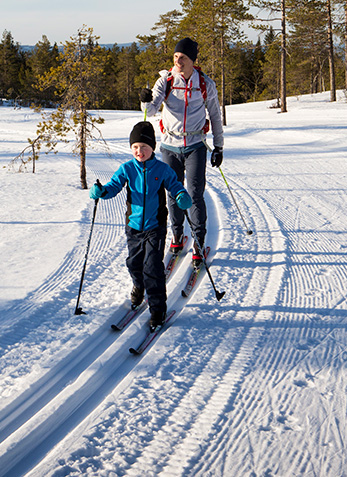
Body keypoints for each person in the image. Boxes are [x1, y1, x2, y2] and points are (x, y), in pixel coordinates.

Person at [90, 121, 192, 330]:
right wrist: (101, 191)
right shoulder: (127, 168)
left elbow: (174, 185)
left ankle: (157, 309)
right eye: (135, 147)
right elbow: (113, 186)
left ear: (152, 147)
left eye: (144, 147)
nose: (139, 151)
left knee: (152, 268)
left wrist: (181, 195)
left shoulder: (162, 169)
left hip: (155, 226)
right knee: (134, 264)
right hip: (133, 226)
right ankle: (138, 286)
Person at [139, 37, 224, 268]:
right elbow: (152, 108)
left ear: (192, 60)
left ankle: (198, 241)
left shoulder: (205, 84)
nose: (177, 61)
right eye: (175, 57)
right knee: (173, 195)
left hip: (195, 146)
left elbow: (215, 116)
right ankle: (177, 236)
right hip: (169, 146)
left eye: (182, 57)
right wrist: (145, 100)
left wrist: (219, 146)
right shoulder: (165, 81)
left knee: (195, 194)